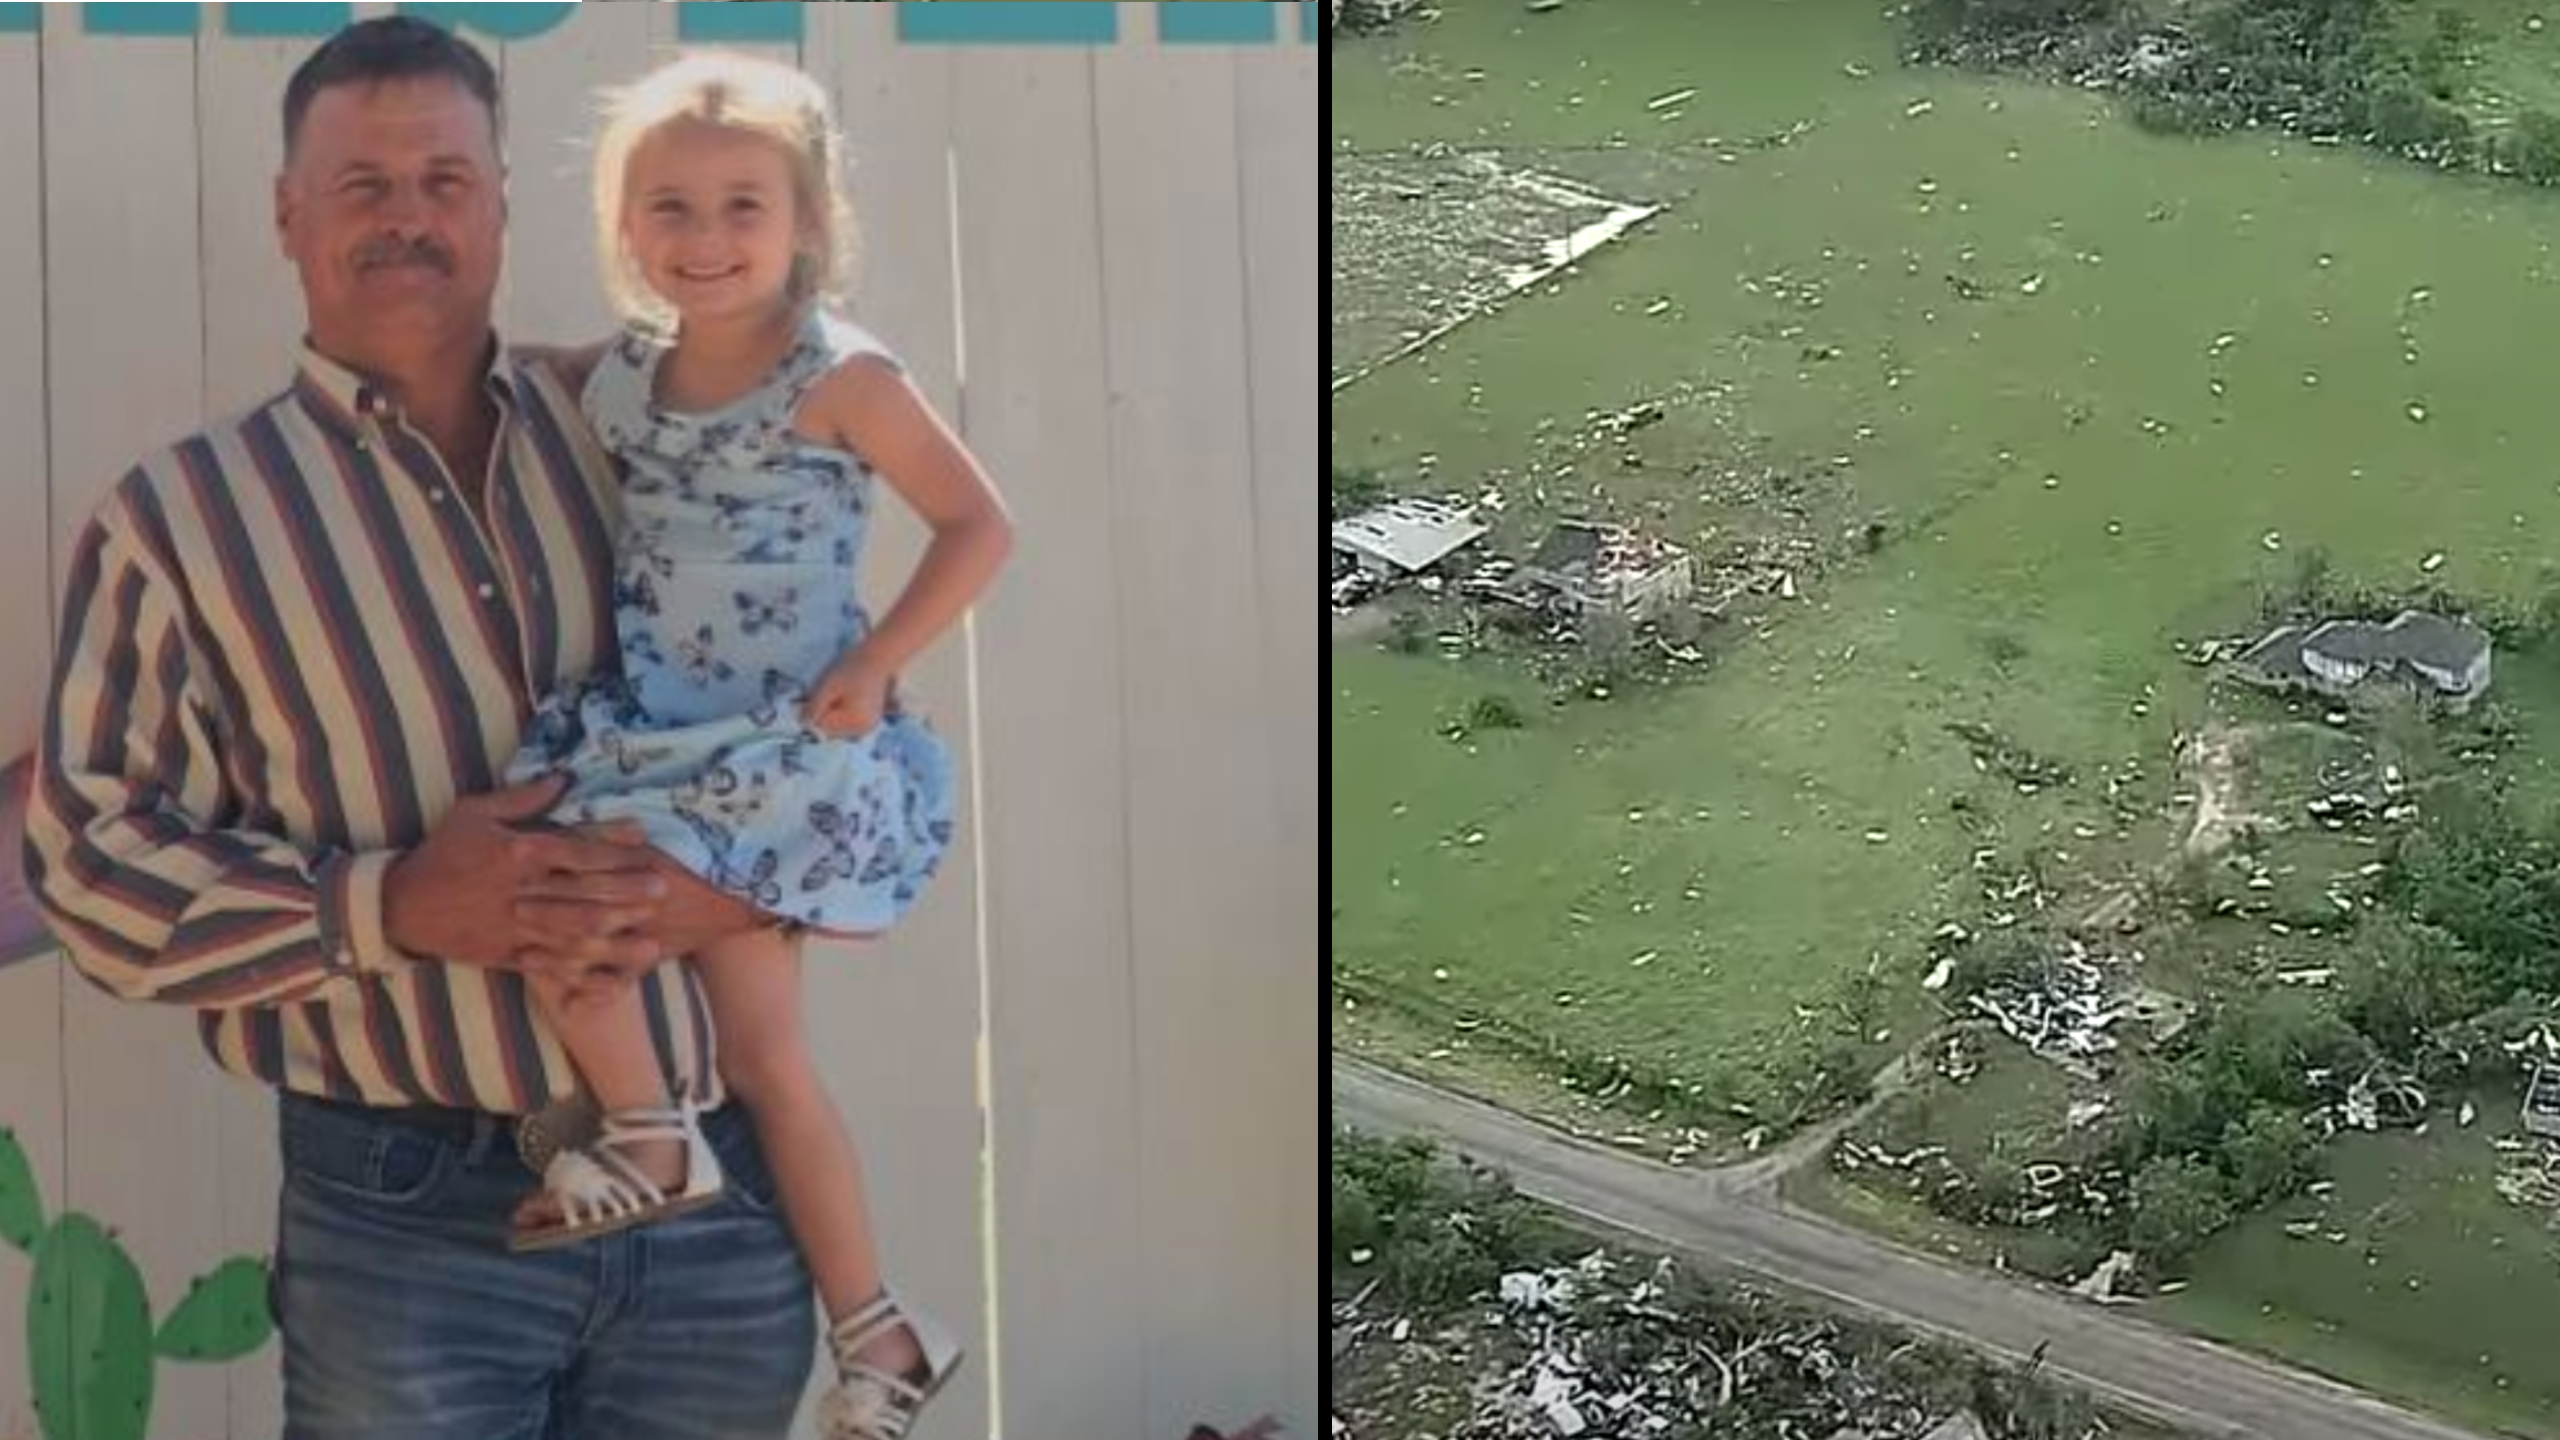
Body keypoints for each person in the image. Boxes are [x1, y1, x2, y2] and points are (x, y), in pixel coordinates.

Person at [22, 18, 822, 1439]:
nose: (407, 218)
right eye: (361, 185)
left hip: (714, 1203)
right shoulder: (187, 523)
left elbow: (834, 730)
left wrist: (717, 883)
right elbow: (90, 870)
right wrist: (385, 905)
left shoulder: (649, 439)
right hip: (410, 1226)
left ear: (506, 202)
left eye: (444, 180)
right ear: (288, 213)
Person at [498, 50, 1011, 1439]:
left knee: (575, 910)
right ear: (625, 228)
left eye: (742, 207)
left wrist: (873, 663)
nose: (707, 238)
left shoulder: (840, 376)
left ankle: (654, 1138)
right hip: (670, 742)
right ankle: (881, 1333)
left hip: (781, 753)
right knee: (768, 1060)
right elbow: (547, 372)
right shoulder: (632, 378)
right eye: (670, 208)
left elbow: (981, 528)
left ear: (806, 223)